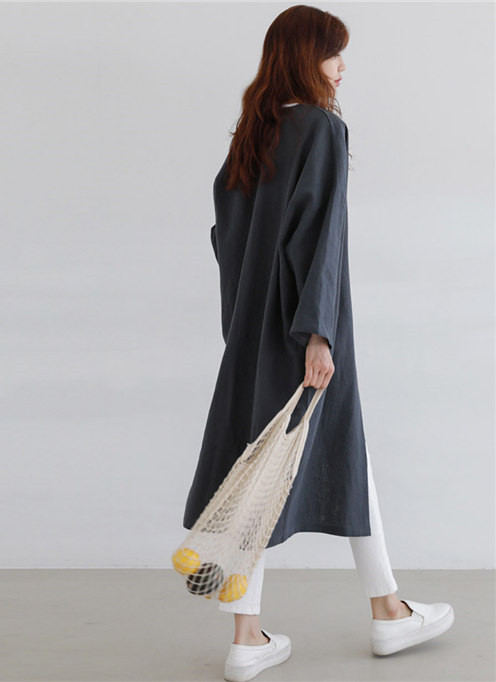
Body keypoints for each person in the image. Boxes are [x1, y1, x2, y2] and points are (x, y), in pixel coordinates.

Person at [181, 5, 454, 682]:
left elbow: (227, 241)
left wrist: (246, 325)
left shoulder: (254, 134)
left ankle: (267, 633)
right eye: (333, 53)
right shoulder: (322, 129)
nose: (341, 67)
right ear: (306, 57)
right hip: (306, 328)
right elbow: (321, 237)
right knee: (295, 464)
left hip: (254, 334)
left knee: (267, 466)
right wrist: (319, 334)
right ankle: (379, 614)